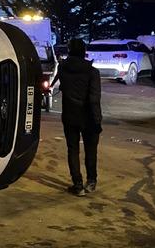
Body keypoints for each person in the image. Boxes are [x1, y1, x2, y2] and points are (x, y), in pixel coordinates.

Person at [50, 38, 102, 196]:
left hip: (70, 115)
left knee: (73, 149)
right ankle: (91, 182)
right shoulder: (92, 71)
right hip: (88, 116)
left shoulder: (63, 68)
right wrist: (97, 119)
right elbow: (94, 98)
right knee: (91, 150)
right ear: (83, 51)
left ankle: (77, 184)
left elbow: (58, 86)